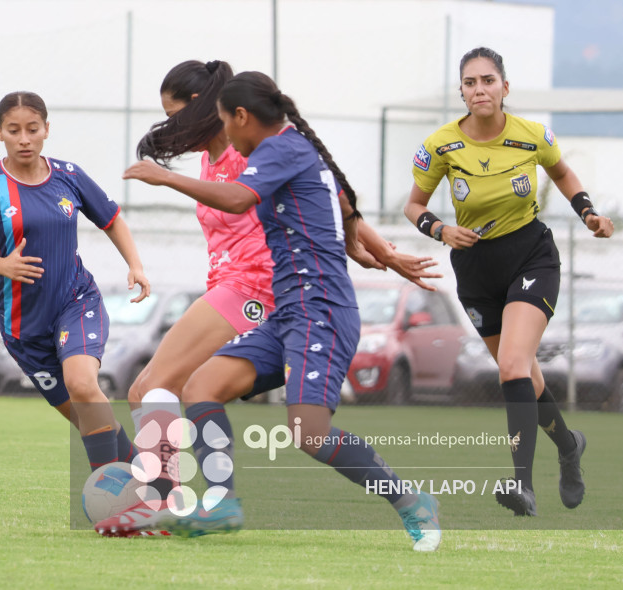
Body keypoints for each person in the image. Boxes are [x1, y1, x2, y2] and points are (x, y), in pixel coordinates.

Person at [95, 60, 443, 539]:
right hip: (281, 303)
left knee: (303, 431)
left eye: (176, 113)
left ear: (235, 115)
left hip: (295, 300)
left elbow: (255, 199)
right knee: (198, 388)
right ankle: (216, 504)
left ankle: (408, 498)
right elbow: (336, 201)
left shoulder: (268, 150)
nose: (170, 126)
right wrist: (373, 251)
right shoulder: (253, 151)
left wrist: (380, 250)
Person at [403, 47, 614, 516]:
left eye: (488, 80)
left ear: (505, 87)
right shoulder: (439, 145)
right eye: (471, 82)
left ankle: (523, 488)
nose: (480, 89)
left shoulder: (532, 135)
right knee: (524, 375)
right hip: (476, 269)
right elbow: (413, 206)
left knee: (513, 365)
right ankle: (568, 446)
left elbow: (561, 171)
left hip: (530, 256)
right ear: (461, 90)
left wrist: (589, 213)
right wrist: (439, 229)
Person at [0, 91, 151, 472]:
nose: (24, 138)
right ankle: (152, 482)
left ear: (46, 130)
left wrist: (135, 264)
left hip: (76, 301)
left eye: (32, 129)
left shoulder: (69, 176)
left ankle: (114, 494)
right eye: (14, 130)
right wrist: (0, 265)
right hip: (24, 326)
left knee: (84, 386)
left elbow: (111, 218)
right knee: (87, 417)